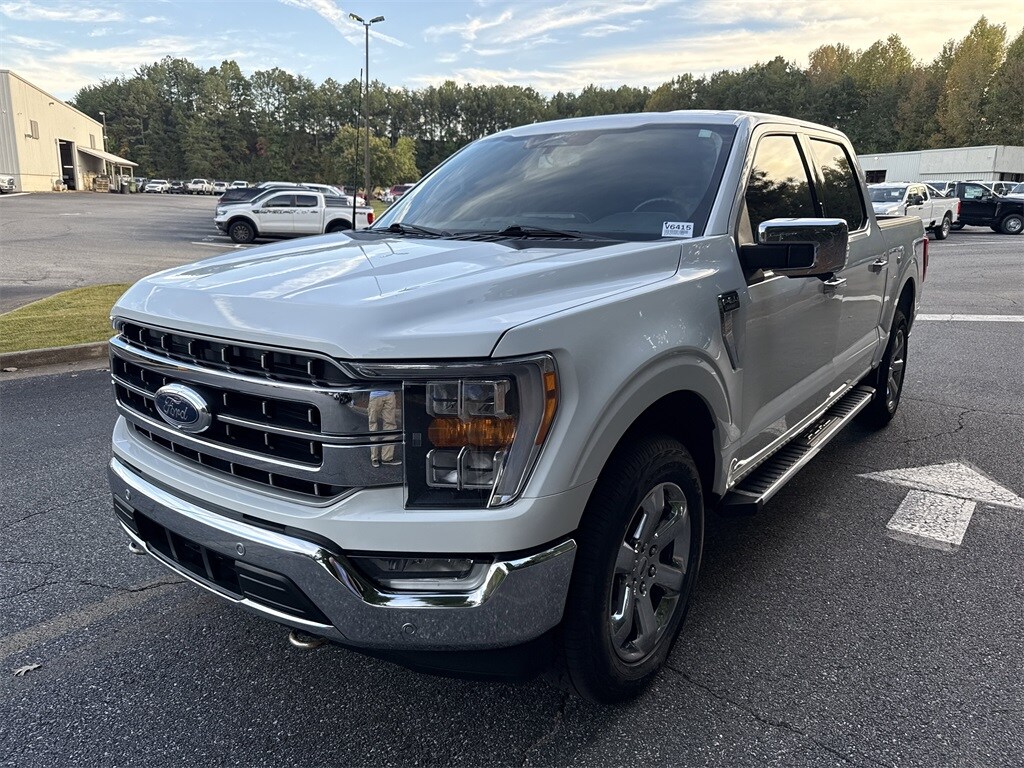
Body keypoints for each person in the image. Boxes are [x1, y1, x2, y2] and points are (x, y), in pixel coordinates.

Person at [367, 390, 400, 467]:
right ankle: (374, 458)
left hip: (389, 394)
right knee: (373, 426)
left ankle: (387, 458)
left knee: (390, 426)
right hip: (375, 395)